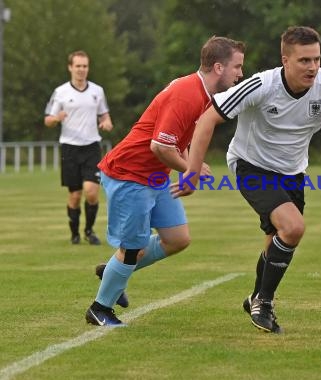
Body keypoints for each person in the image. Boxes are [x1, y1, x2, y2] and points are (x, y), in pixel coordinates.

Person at [178, 26, 321, 333]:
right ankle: (265, 301)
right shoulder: (261, 85)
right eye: (304, 60)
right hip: (251, 165)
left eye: (316, 59)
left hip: (293, 172)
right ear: (285, 60)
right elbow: (208, 118)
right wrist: (192, 170)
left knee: (276, 239)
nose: (313, 67)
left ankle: (256, 297)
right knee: (293, 228)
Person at [84, 36, 246, 326]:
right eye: (237, 67)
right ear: (219, 67)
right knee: (133, 247)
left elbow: (176, 139)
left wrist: (189, 165)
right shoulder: (187, 93)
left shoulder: (202, 94)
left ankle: (116, 269)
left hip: (155, 175)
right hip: (130, 173)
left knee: (177, 238)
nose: (240, 74)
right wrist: (190, 170)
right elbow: (159, 146)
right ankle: (100, 308)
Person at [45, 50, 114, 245]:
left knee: (91, 191)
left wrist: (106, 122)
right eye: (78, 66)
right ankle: (74, 234)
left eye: (85, 66)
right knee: (74, 195)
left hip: (92, 146)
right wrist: (56, 119)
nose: (82, 70)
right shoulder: (61, 92)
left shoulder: (97, 91)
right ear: (70, 68)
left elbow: (104, 114)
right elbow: (47, 119)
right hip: (70, 148)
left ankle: (89, 230)